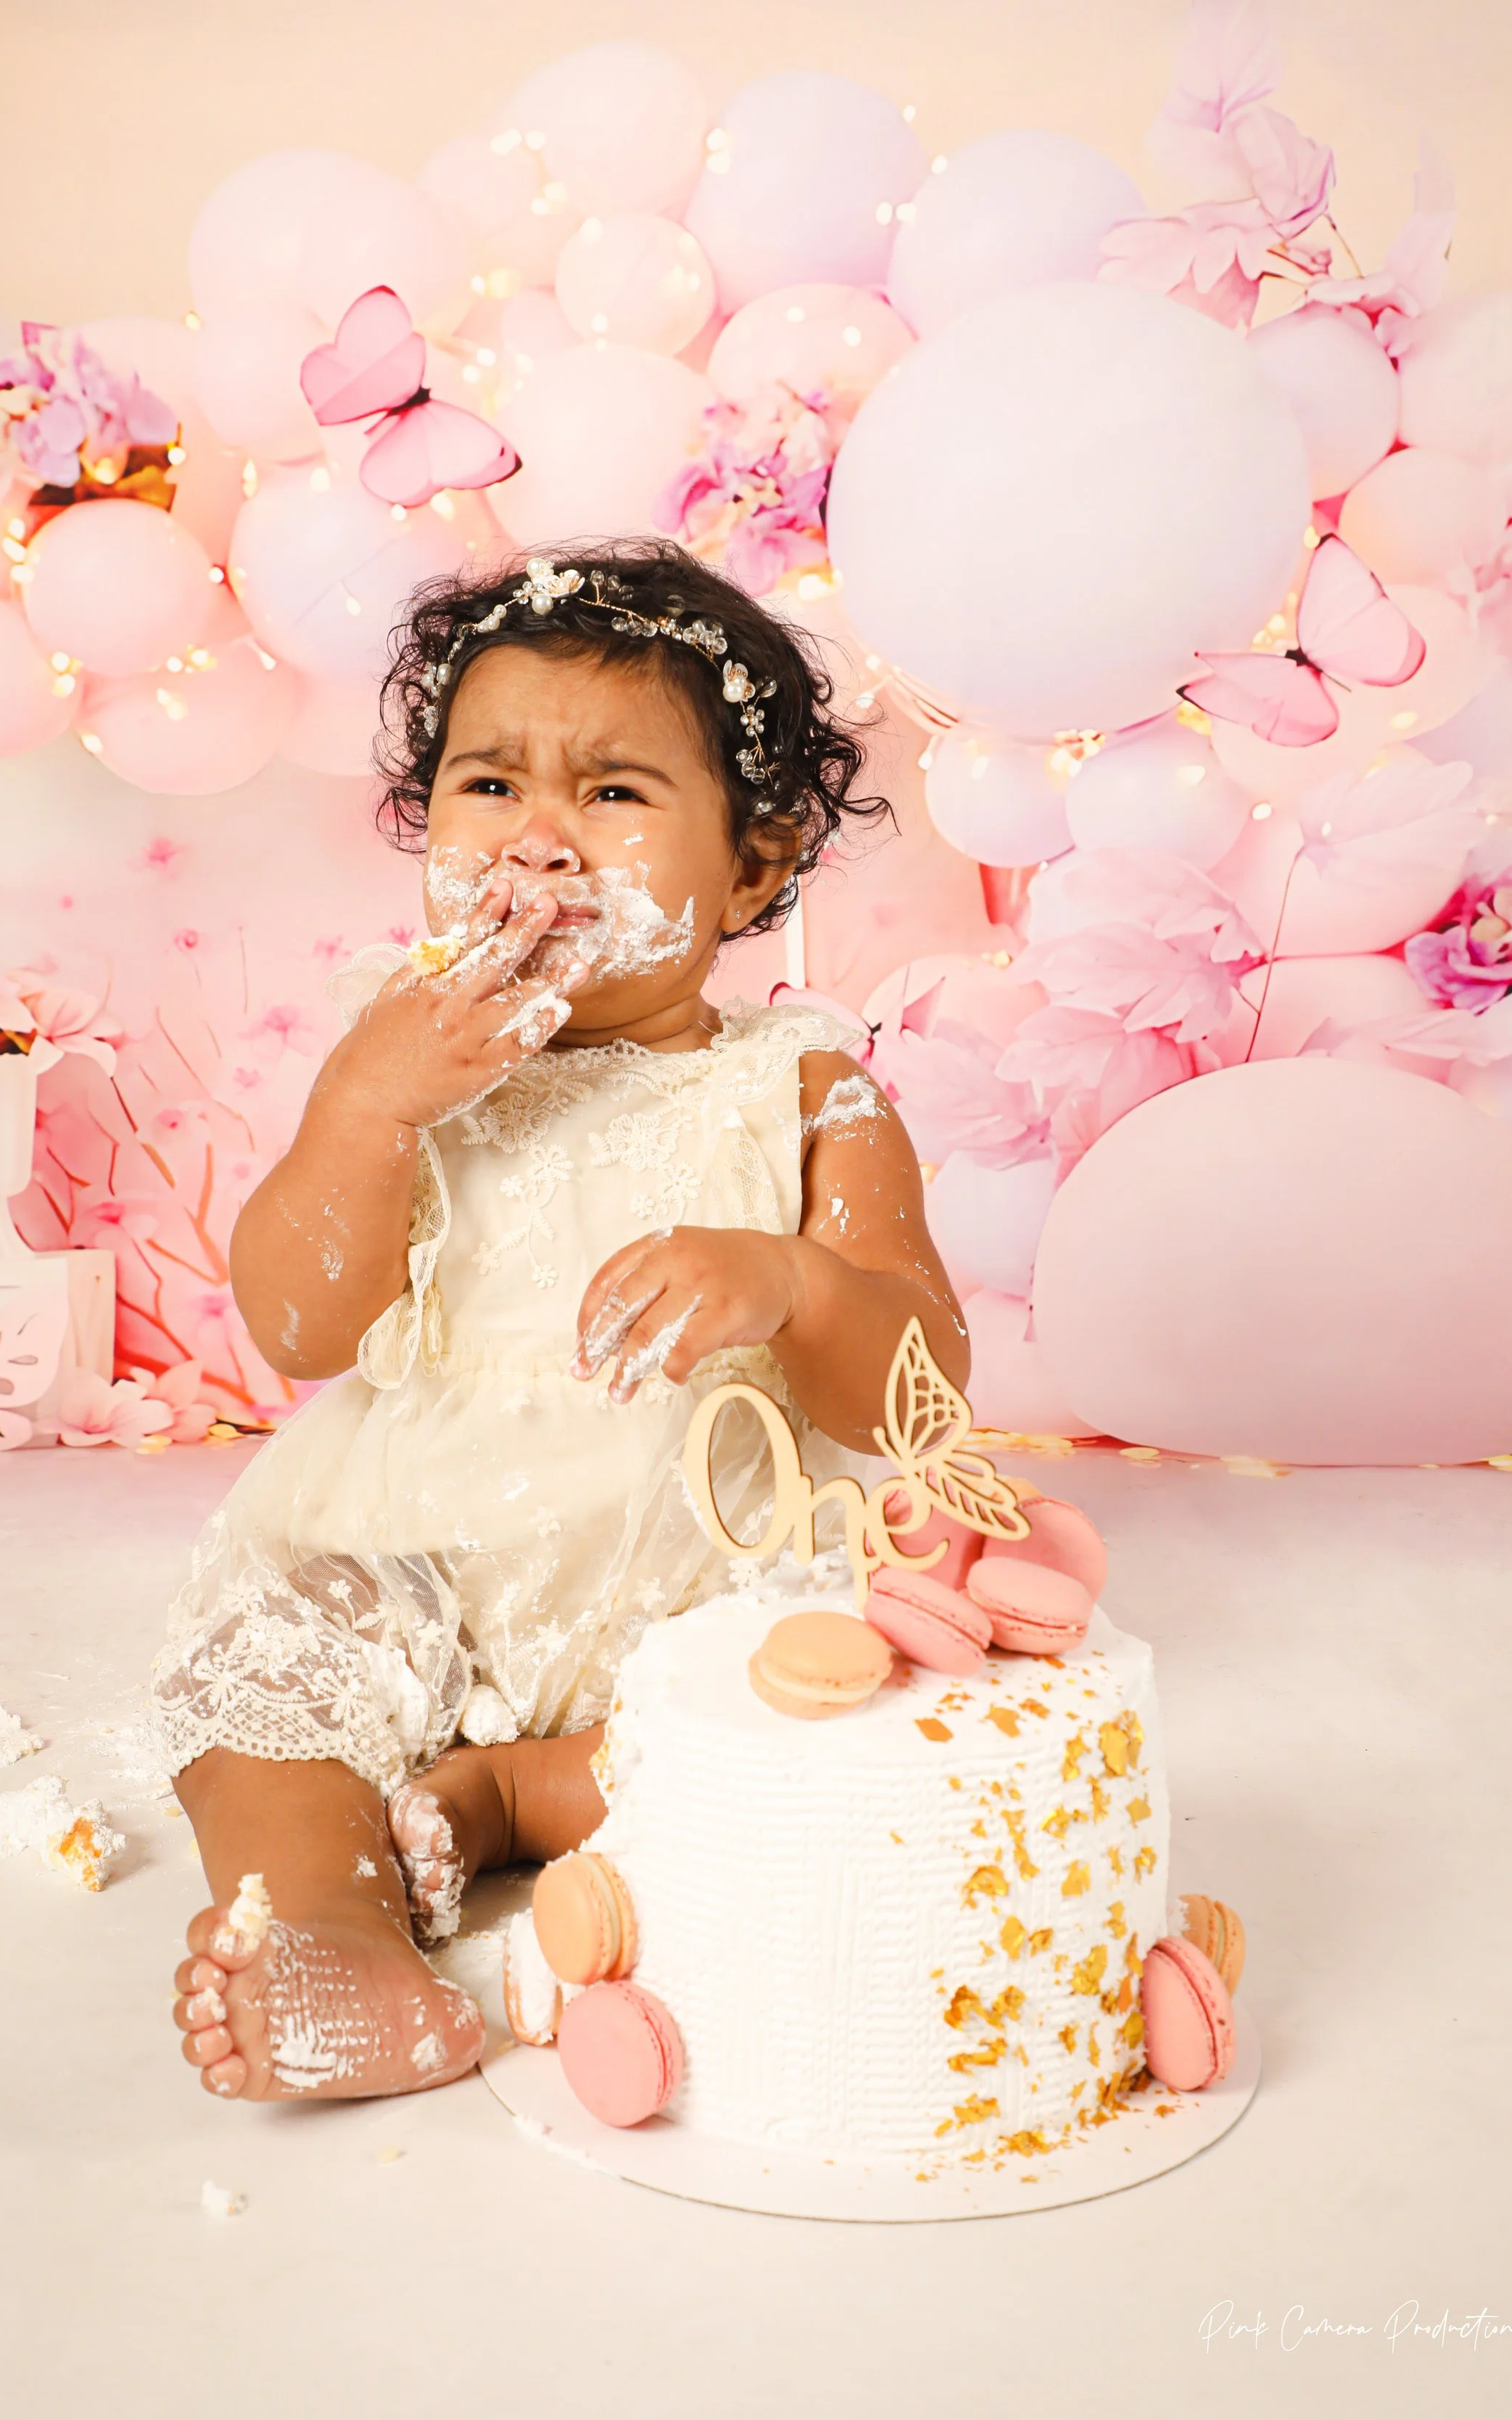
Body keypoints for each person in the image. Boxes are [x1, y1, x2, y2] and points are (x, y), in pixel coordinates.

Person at [155, 541, 966, 2100]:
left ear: (750, 863)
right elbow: (295, 1325)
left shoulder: (800, 1091)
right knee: (261, 1679)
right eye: (487, 786)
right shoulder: (389, 1060)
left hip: (697, 1576)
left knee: (828, 1715)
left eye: (610, 793)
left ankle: (522, 1795)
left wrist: (794, 1283)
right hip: (416, 1554)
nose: (538, 837)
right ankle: (335, 1930)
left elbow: (915, 1400)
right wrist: (363, 1112)